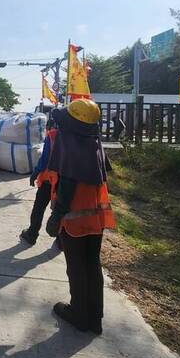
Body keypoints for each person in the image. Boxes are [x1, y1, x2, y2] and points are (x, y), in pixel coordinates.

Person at [45, 98, 115, 335]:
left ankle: (79, 314)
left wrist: (56, 215)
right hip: (96, 218)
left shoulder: (69, 143)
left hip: (74, 218)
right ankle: (95, 318)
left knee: (76, 267)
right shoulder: (95, 144)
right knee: (92, 264)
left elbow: (66, 182)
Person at [20, 118, 58, 246]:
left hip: (48, 180)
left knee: (39, 208)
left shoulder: (52, 136)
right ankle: (61, 240)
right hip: (64, 182)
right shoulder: (74, 138)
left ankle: (32, 234)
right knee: (59, 209)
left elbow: (45, 158)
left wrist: (35, 173)